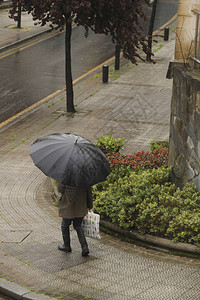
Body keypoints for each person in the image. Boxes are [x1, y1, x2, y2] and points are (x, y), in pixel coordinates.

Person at [57, 183, 93, 257]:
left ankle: (66, 245)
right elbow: (88, 192)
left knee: (64, 225)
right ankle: (84, 247)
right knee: (78, 226)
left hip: (68, 207)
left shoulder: (66, 176)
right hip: (80, 207)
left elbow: (60, 189)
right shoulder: (84, 177)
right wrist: (90, 205)